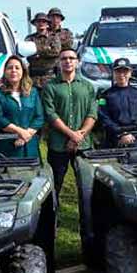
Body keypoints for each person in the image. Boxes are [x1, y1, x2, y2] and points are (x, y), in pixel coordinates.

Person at [41, 47, 97, 196]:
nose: (68, 61)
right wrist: (71, 134)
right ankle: (53, 217)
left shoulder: (88, 86)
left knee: (87, 185)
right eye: (64, 58)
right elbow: (50, 114)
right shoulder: (50, 87)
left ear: (77, 62)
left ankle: (87, 218)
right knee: (55, 183)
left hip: (83, 144)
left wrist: (79, 135)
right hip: (59, 144)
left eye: (71, 58)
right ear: (59, 63)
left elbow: (92, 114)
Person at [0, 55, 44, 158]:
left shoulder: (33, 92)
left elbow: (39, 117)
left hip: (29, 146)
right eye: (10, 68)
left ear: (23, 71)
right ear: (5, 72)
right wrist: (20, 132)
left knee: (32, 173)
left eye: (17, 68)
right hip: (6, 147)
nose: (13, 70)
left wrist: (26, 135)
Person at [97, 58, 137, 147]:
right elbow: (104, 117)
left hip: (136, 138)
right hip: (114, 139)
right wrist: (121, 134)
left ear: (130, 73)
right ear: (114, 73)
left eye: (125, 71)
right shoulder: (105, 95)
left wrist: (133, 135)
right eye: (118, 71)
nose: (122, 75)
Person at [25, 12, 61, 89]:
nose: (41, 23)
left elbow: (56, 51)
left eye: (43, 21)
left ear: (47, 24)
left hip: (50, 77)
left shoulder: (54, 37)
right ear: (35, 24)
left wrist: (36, 51)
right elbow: (27, 54)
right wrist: (47, 49)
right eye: (38, 21)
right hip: (33, 77)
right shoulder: (29, 38)